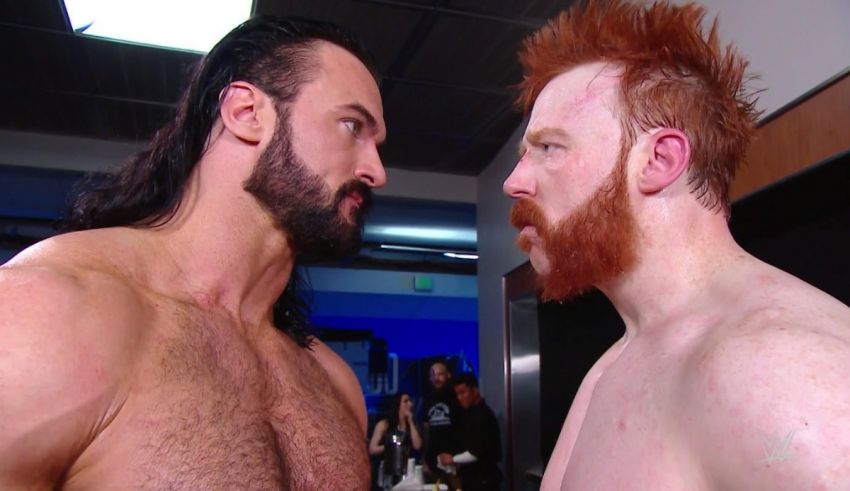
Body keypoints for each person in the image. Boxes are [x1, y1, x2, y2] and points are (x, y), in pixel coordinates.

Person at [0, 15, 387, 489]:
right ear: (246, 113)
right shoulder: (46, 315)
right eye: (353, 126)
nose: (375, 170)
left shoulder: (334, 382)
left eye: (377, 143)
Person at [503, 1, 850, 489]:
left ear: (660, 160)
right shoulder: (618, 360)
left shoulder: (773, 373)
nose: (513, 182)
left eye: (548, 148)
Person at [437, 373, 502, 491]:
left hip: (484, 481)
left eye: (463, 392)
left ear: (475, 391)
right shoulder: (469, 414)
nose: (459, 397)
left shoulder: (483, 416)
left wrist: (452, 459)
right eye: (457, 394)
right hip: (474, 479)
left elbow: (476, 452)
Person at [369, 393, 423, 489]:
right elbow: (372, 449)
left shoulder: (412, 426)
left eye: (410, 401)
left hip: (408, 471)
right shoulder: (384, 424)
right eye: (405, 401)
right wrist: (391, 446)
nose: (410, 404)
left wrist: (410, 422)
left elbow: (417, 445)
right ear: (397, 404)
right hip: (388, 469)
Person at [418, 361, 461, 482]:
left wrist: (459, 459)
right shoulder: (427, 400)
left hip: (455, 461)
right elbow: (425, 431)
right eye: (433, 375)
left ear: (448, 375)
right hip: (433, 463)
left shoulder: (457, 398)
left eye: (440, 374)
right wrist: (424, 459)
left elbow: (464, 428)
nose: (436, 378)